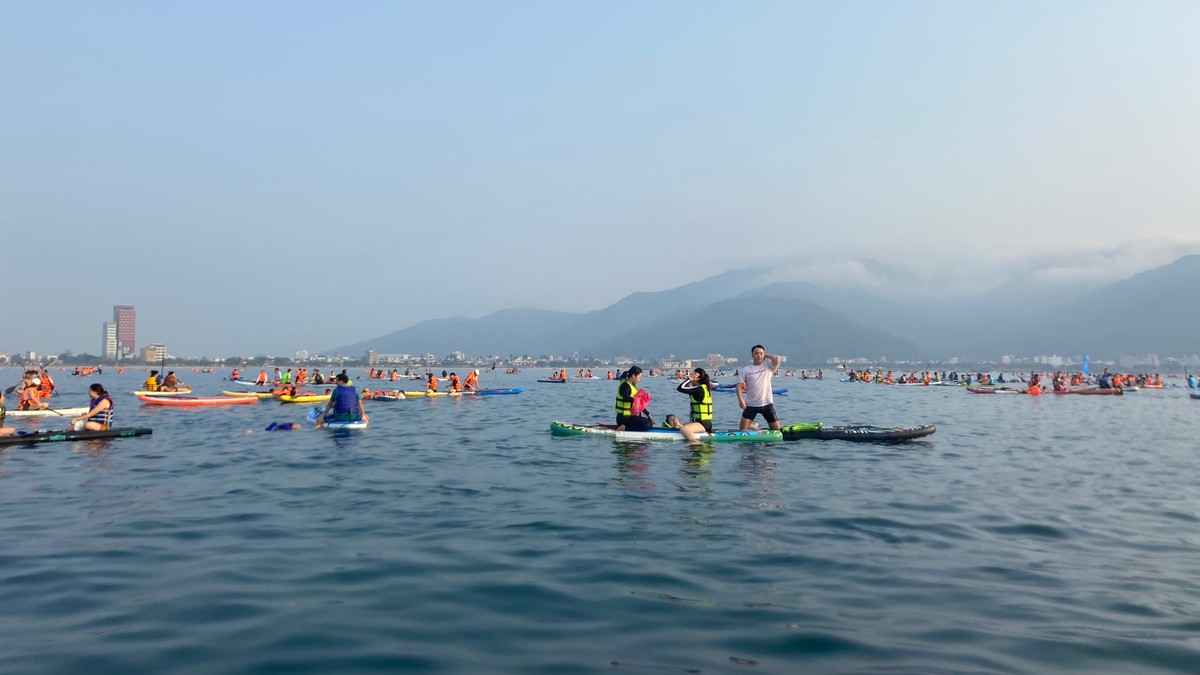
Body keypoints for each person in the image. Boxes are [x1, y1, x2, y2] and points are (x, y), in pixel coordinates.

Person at [736, 345, 782, 430]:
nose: (759, 355)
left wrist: (766, 355)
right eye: (756, 353)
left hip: (767, 404)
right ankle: (754, 426)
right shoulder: (745, 370)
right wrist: (740, 399)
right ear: (752, 355)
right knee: (742, 430)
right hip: (751, 405)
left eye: (761, 354)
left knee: (777, 430)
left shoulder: (768, 367)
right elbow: (739, 385)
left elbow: (777, 359)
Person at [614, 366, 653, 431]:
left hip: (631, 418)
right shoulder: (625, 386)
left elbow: (640, 405)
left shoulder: (634, 388)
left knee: (649, 422)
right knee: (647, 424)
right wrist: (636, 399)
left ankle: (626, 427)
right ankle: (624, 427)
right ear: (633, 376)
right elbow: (625, 398)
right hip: (623, 418)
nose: (639, 380)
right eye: (639, 377)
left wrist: (648, 414)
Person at [676, 367, 714, 434]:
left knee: (685, 429)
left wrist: (690, 379)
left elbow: (680, 388)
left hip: (703, 424)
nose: (691, 376)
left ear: (697, 378)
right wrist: (690, 380)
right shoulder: (702, 388)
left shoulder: (699, 390)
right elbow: (686, 388)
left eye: (692, 375)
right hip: (698, 422)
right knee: (683, 426)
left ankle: (696, 443)